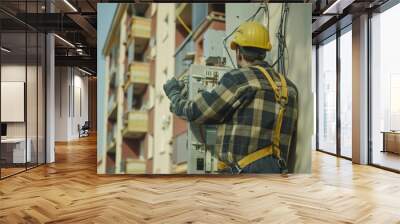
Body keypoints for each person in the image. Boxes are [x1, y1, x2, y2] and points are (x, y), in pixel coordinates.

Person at [163, 21, 298, 174]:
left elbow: (196, 111)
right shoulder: (290, 88)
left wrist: (174, 95)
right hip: (280, 173)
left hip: (243, 176)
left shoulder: (239, 79)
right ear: (264, 51)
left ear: (239, 52)